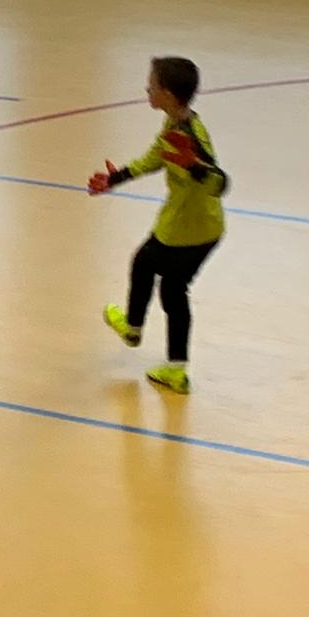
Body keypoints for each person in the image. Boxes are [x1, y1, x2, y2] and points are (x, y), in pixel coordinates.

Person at [89, 57, 227, 394]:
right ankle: (176, 370)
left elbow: (220, 182)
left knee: (145, 264)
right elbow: (155, 157)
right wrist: (116, 178)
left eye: (151, 85)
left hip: (185, 231)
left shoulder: (191, 134)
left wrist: (195, 167)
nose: (147, 90)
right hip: (203, 229)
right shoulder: (173, 123)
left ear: (168, 93)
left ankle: (132, 329)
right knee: (172, 289)